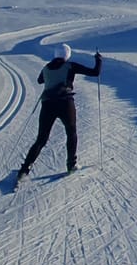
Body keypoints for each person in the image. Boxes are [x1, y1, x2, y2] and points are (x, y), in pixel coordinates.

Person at [21, 43, 101, 175]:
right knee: (71, 132)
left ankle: (24, 170)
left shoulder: (46, 67)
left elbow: (40, 80)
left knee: (41, 139)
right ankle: (71, 165)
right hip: (66, 103)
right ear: (67, 55)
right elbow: (95, 72)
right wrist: (98, 60)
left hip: (48, 104)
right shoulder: (70, 66)